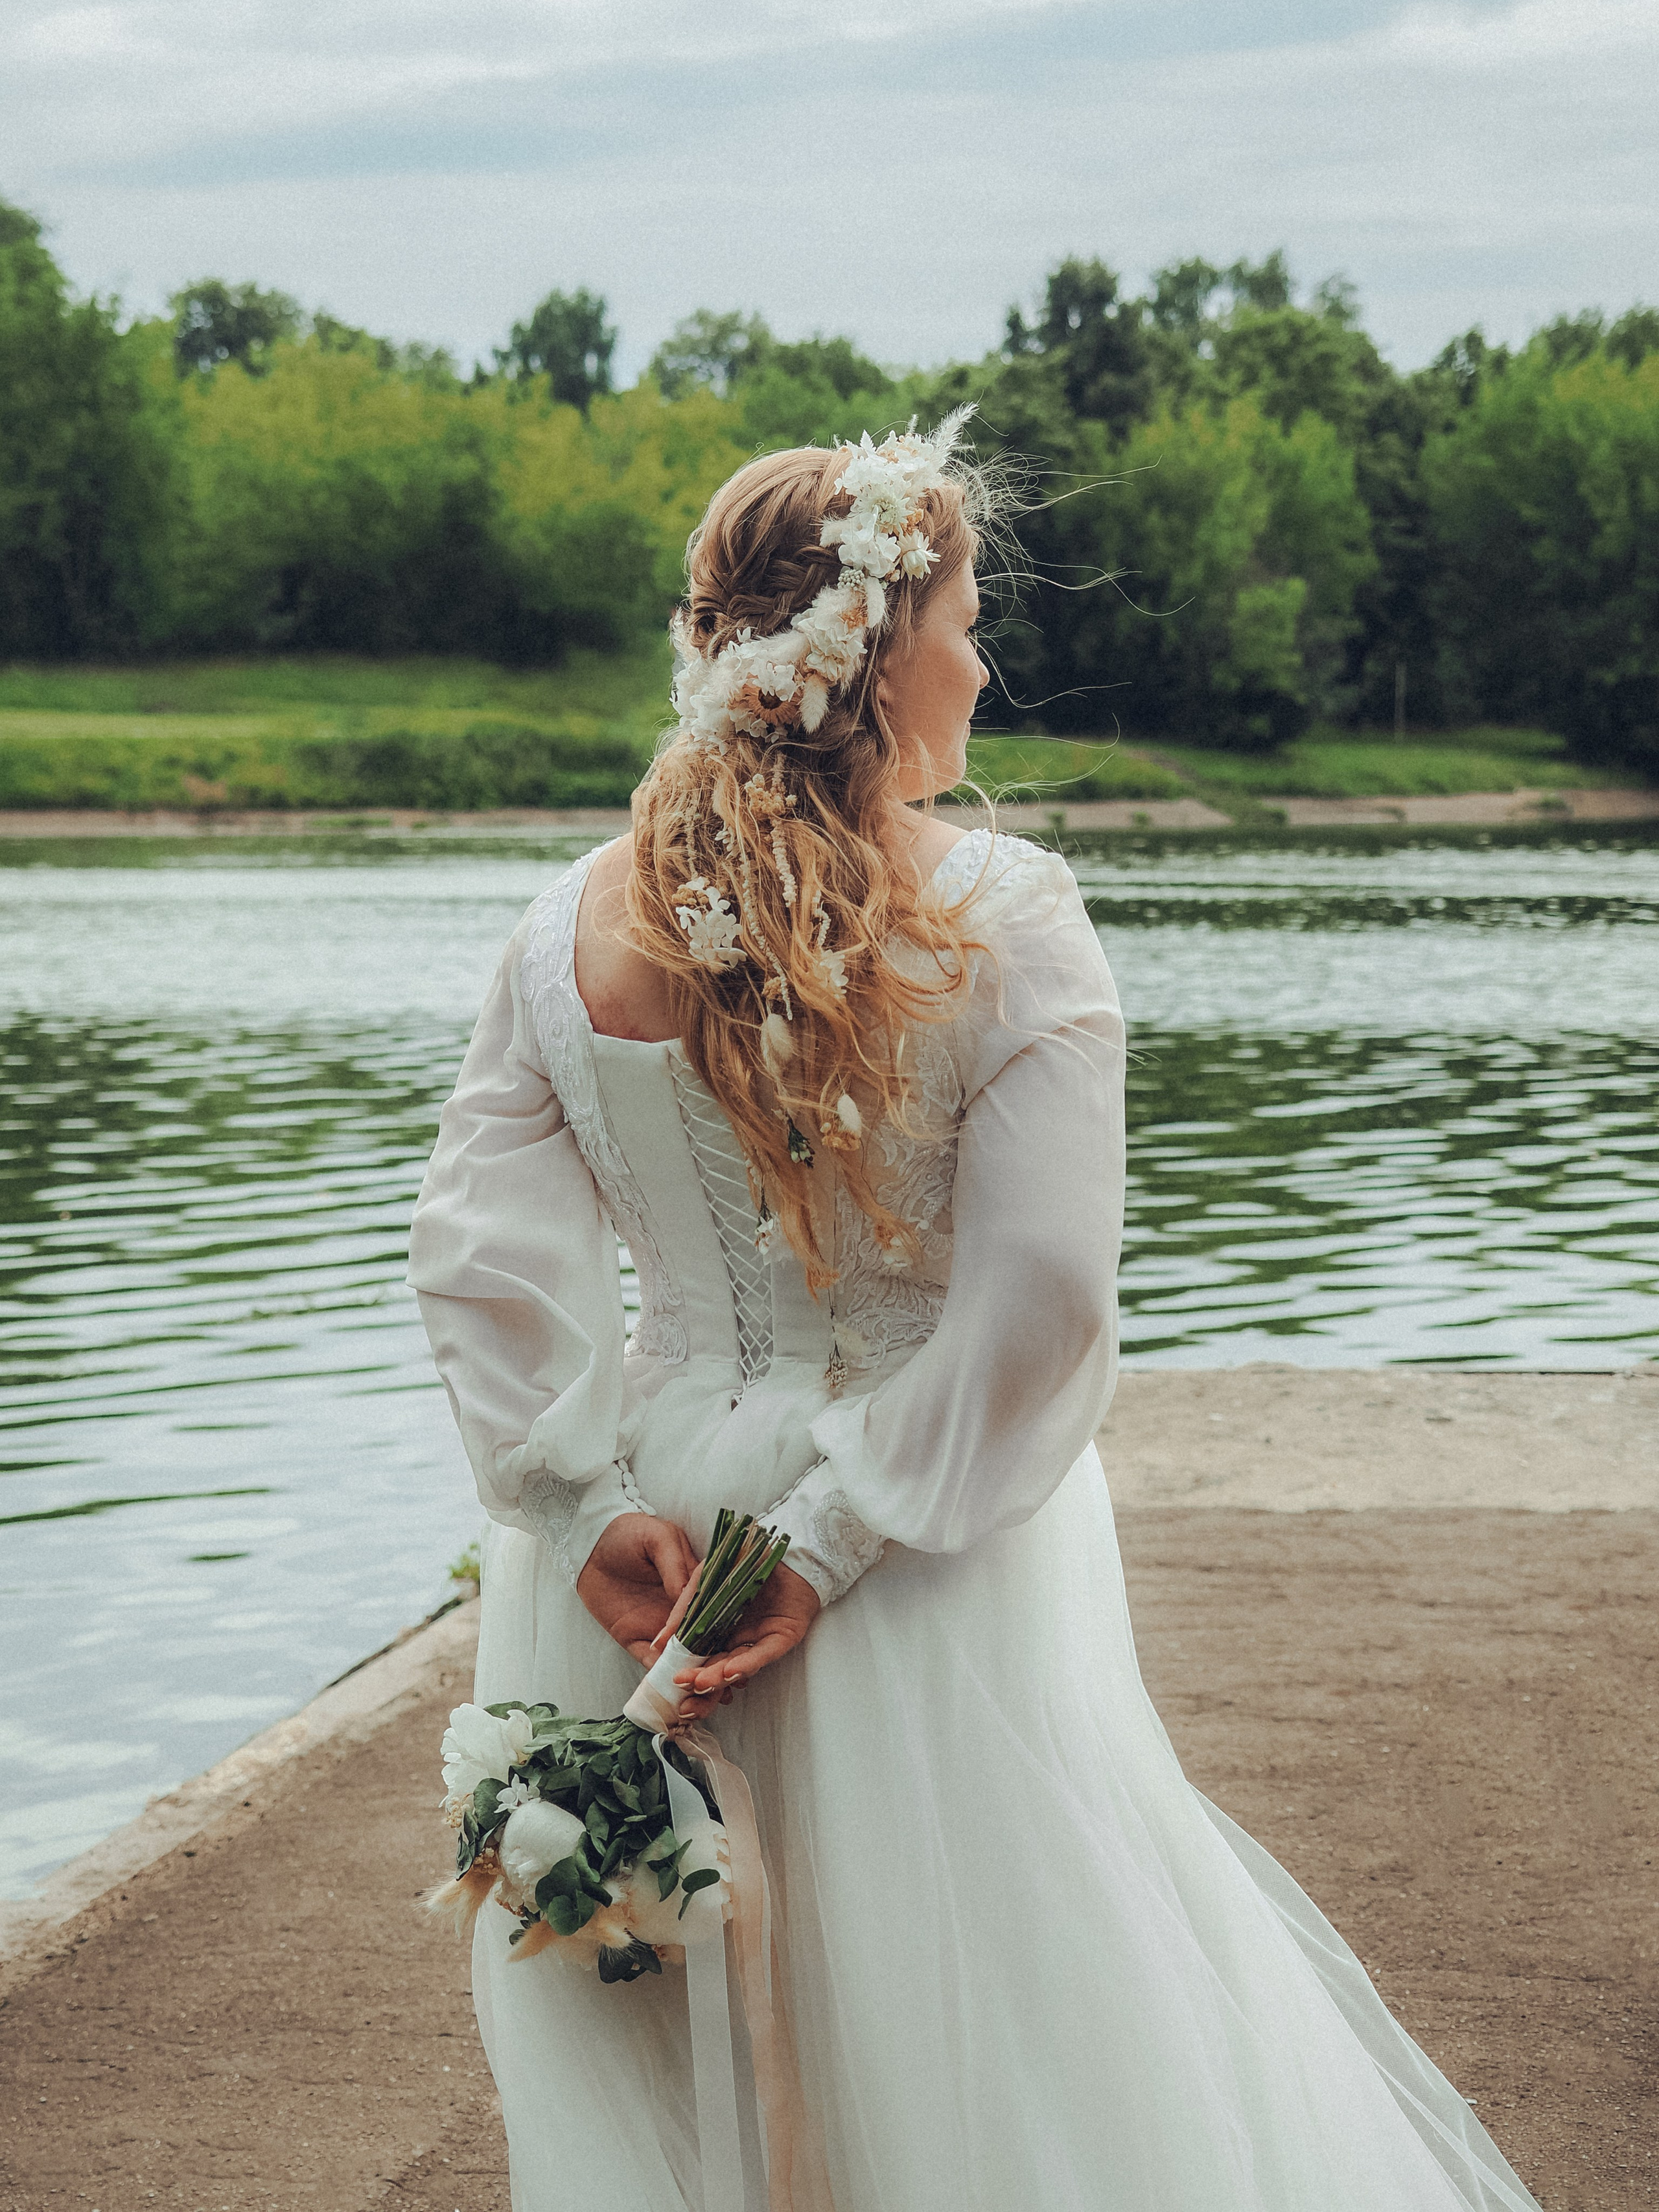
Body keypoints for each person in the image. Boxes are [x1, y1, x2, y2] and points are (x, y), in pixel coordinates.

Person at [407, 416, 1540, 2210]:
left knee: (676, 2026)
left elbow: (479, 1263)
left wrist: (573, 1503)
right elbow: (1042, 1302)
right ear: (870, 651)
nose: (986, 661)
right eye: (968, 619)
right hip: (912, 1537)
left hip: (639, 1548)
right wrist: (837, 1532)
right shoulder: (1012, 913)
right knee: (1003, 1996)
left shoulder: (565, 935)